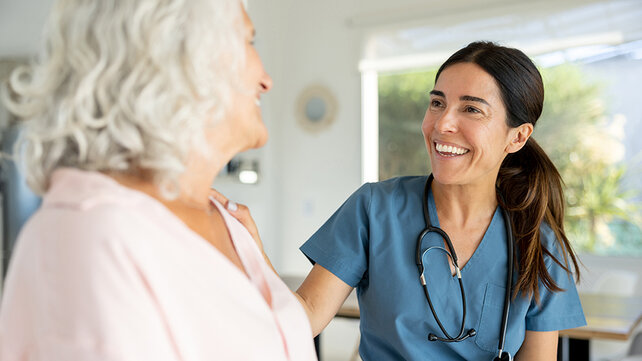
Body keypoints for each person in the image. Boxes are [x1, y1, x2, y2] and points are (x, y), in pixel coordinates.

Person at [224, 41, 586, 361]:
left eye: (471, 109)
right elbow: (302, 318)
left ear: (517, 137)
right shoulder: (373, 209)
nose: (442, 123)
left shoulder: (538, 244)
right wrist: (252, 257)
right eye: (437, 102)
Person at [0, 1, 317, 360]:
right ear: (181, 58)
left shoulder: (231, 220)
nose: (267, 80)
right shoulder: (90, 235)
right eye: (248, 41)